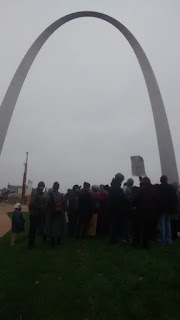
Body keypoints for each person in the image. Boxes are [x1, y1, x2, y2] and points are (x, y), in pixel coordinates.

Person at [133, 177, 156, 249]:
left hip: (140, 212)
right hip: (150, 213)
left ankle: (136, 243)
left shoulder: (140, 189)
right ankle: (145, 245)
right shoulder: (153, 190)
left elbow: (135, 199)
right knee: (146, 230)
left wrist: (135, 205)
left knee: (138, 229)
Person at [108, 173, 128, 244]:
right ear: (120, 179)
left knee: (113, 225)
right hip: (117, 209)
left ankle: (113, 239)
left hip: (112, 208)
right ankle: (114, 240)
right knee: (116, 226)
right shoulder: (117, 188)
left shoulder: (113, 186)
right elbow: (122, 198)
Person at [45, 182, 66, 247]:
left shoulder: (49, 195)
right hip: (59, 213)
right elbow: (64, 204)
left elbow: (46, 204)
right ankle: (59, 240)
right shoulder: (61, 195)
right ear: (58, 187)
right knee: (59, 226)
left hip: (51, 213)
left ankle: (52, 241)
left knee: (51, 227)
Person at [157, 175, 177, 245]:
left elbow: (157, 199)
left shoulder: (159, 188)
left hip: (161, 208)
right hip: (169, 209)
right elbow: (174, 199)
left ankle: (163, 240)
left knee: (162, 224)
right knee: (168, 224)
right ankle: (168, 240)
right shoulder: (171, 187)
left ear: (160, 180)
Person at [28, 181, 45, 248]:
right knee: (32, 230)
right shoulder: (36, 192)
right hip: (34, 214)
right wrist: (40, 207)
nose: (43, 188)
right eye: (42, 187)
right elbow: (32, 203)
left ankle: (32, 243)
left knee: (34, 230)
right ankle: (31, 245)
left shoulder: (39, 192)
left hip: (37, 213)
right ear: (40, 186)